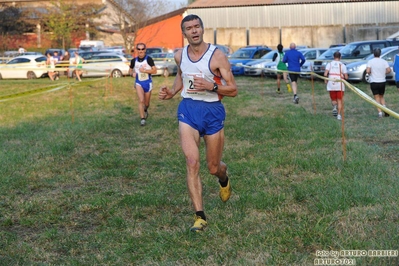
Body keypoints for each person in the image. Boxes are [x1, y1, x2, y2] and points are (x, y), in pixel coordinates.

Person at [158, 14, 238, 232]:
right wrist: (173, 91)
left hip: (213, 112)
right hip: (188, 110)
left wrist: (211, 86)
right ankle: (200, 216)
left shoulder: (217, 56)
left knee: (213, 168)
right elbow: (181, 75)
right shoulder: (179, 55)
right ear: (183, 33)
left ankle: (224, 177)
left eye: (196, 27)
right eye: (188, 28)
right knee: (192, 162)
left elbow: (233, 90)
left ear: (202, 30)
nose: (193, 31)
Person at [129, 44, 157, 126]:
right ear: (136, 50)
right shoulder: (133, 61)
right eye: (139, 49)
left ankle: (145, 109)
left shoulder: (149, 59)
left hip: (148, 82)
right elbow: (130, 70)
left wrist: (144, 71)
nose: (140, 51)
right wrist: (132, 74)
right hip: (139, 82)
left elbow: (154, 71)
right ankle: (142, 119)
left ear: (145, 50)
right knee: (141, 100)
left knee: (147, 103)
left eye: (142, 49)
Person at [366, 48, 391, 118]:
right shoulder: (384, 61)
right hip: (382, 81)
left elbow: (368, 71)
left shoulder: (370, 61)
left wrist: (371, 72)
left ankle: (380, 112)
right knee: (381, 96)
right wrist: (384, 73)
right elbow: (389, 70)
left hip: (374, 81)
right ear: (380, 54)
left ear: (373, 54)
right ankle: (385, 109)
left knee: (376, 97)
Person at [323, 51, 348, 120]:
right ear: (340, 57)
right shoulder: (342, 65)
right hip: (340, 83)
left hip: (331, 82)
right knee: (339, 100)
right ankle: (339, 114)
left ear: (333, 57)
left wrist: (326, 79)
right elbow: (346, 77)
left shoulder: (329, 64)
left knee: (333, 99)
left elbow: (325, 74)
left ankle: (334, 107)